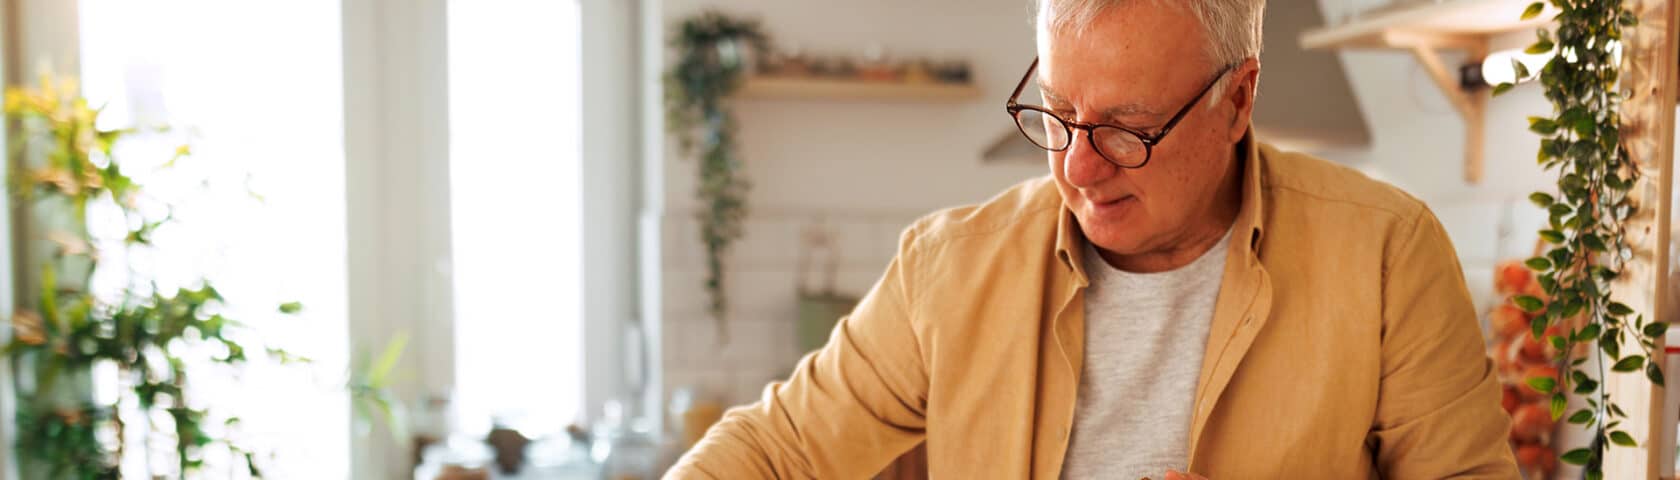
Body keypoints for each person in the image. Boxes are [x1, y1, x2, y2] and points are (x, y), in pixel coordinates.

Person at [667, 0, 1519, 478]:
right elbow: (776, 450)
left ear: (1239, 100)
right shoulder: (951, 265)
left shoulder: (1386, 253)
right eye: (1058, 114)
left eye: (1126, 127)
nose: (1076, 168)